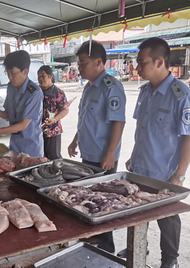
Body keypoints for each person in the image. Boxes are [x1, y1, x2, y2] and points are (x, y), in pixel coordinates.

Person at [125, 37, 190, 268]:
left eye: (141, 62)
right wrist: (133, 157)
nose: (137, 68)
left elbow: (189, 137)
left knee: (167, 217)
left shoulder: (181, 94)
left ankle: (170, 260)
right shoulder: (145, 91)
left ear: (159, 62)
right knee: (136, 210)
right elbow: (143, 129)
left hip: (164, 172)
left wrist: (179, 175)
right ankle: (139, 248)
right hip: (140, 167)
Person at [67, 40, 127, 253]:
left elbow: (118, 122)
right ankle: (94, 239)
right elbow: (86, 119)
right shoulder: (89, 87)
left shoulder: (111, 87)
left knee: (104, 202)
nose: (79, 68)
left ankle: (106, 246)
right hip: (88, 153)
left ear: (99, 62)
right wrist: (75, 140)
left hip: (103, 156)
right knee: (89, 198)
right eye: (79, 64)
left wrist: (111, 153)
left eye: (83, 63)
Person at [0, 50, 44, 157]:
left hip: (30, 149)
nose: (9, 77)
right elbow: (7, 116)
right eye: (7, 73)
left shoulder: (34, 93)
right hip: (15, 146)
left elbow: (23, 125)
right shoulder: (11, 87)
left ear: (25, 72)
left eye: (13, 73)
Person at [37, 65, 69, 160]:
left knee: (54, 157)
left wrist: (55, 119)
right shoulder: (36, 91)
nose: (40, 79)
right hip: (37, 131)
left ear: (50, 76)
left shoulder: (58, 92)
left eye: (43, 76)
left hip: (52, 130)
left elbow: (65, 109)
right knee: (39, 158)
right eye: (39, 77)